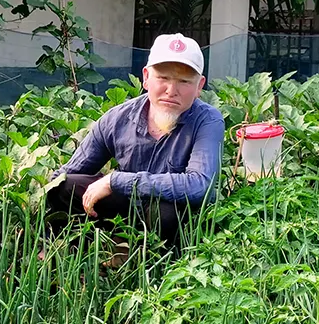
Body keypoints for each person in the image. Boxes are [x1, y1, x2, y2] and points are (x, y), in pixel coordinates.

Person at [46, 33, 225, 257]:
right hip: (123, 209)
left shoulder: (208, 121)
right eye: (163, 78)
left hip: (167, 216)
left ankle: (155, 268)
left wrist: (116, 180)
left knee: (165, 213)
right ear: (146, 77)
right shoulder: (116, 119)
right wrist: (39, 195)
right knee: (63, 187)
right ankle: (91, 252)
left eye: (184, 81)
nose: (171, 90)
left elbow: (201, 186)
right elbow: (70, 172)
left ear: (199, 86)